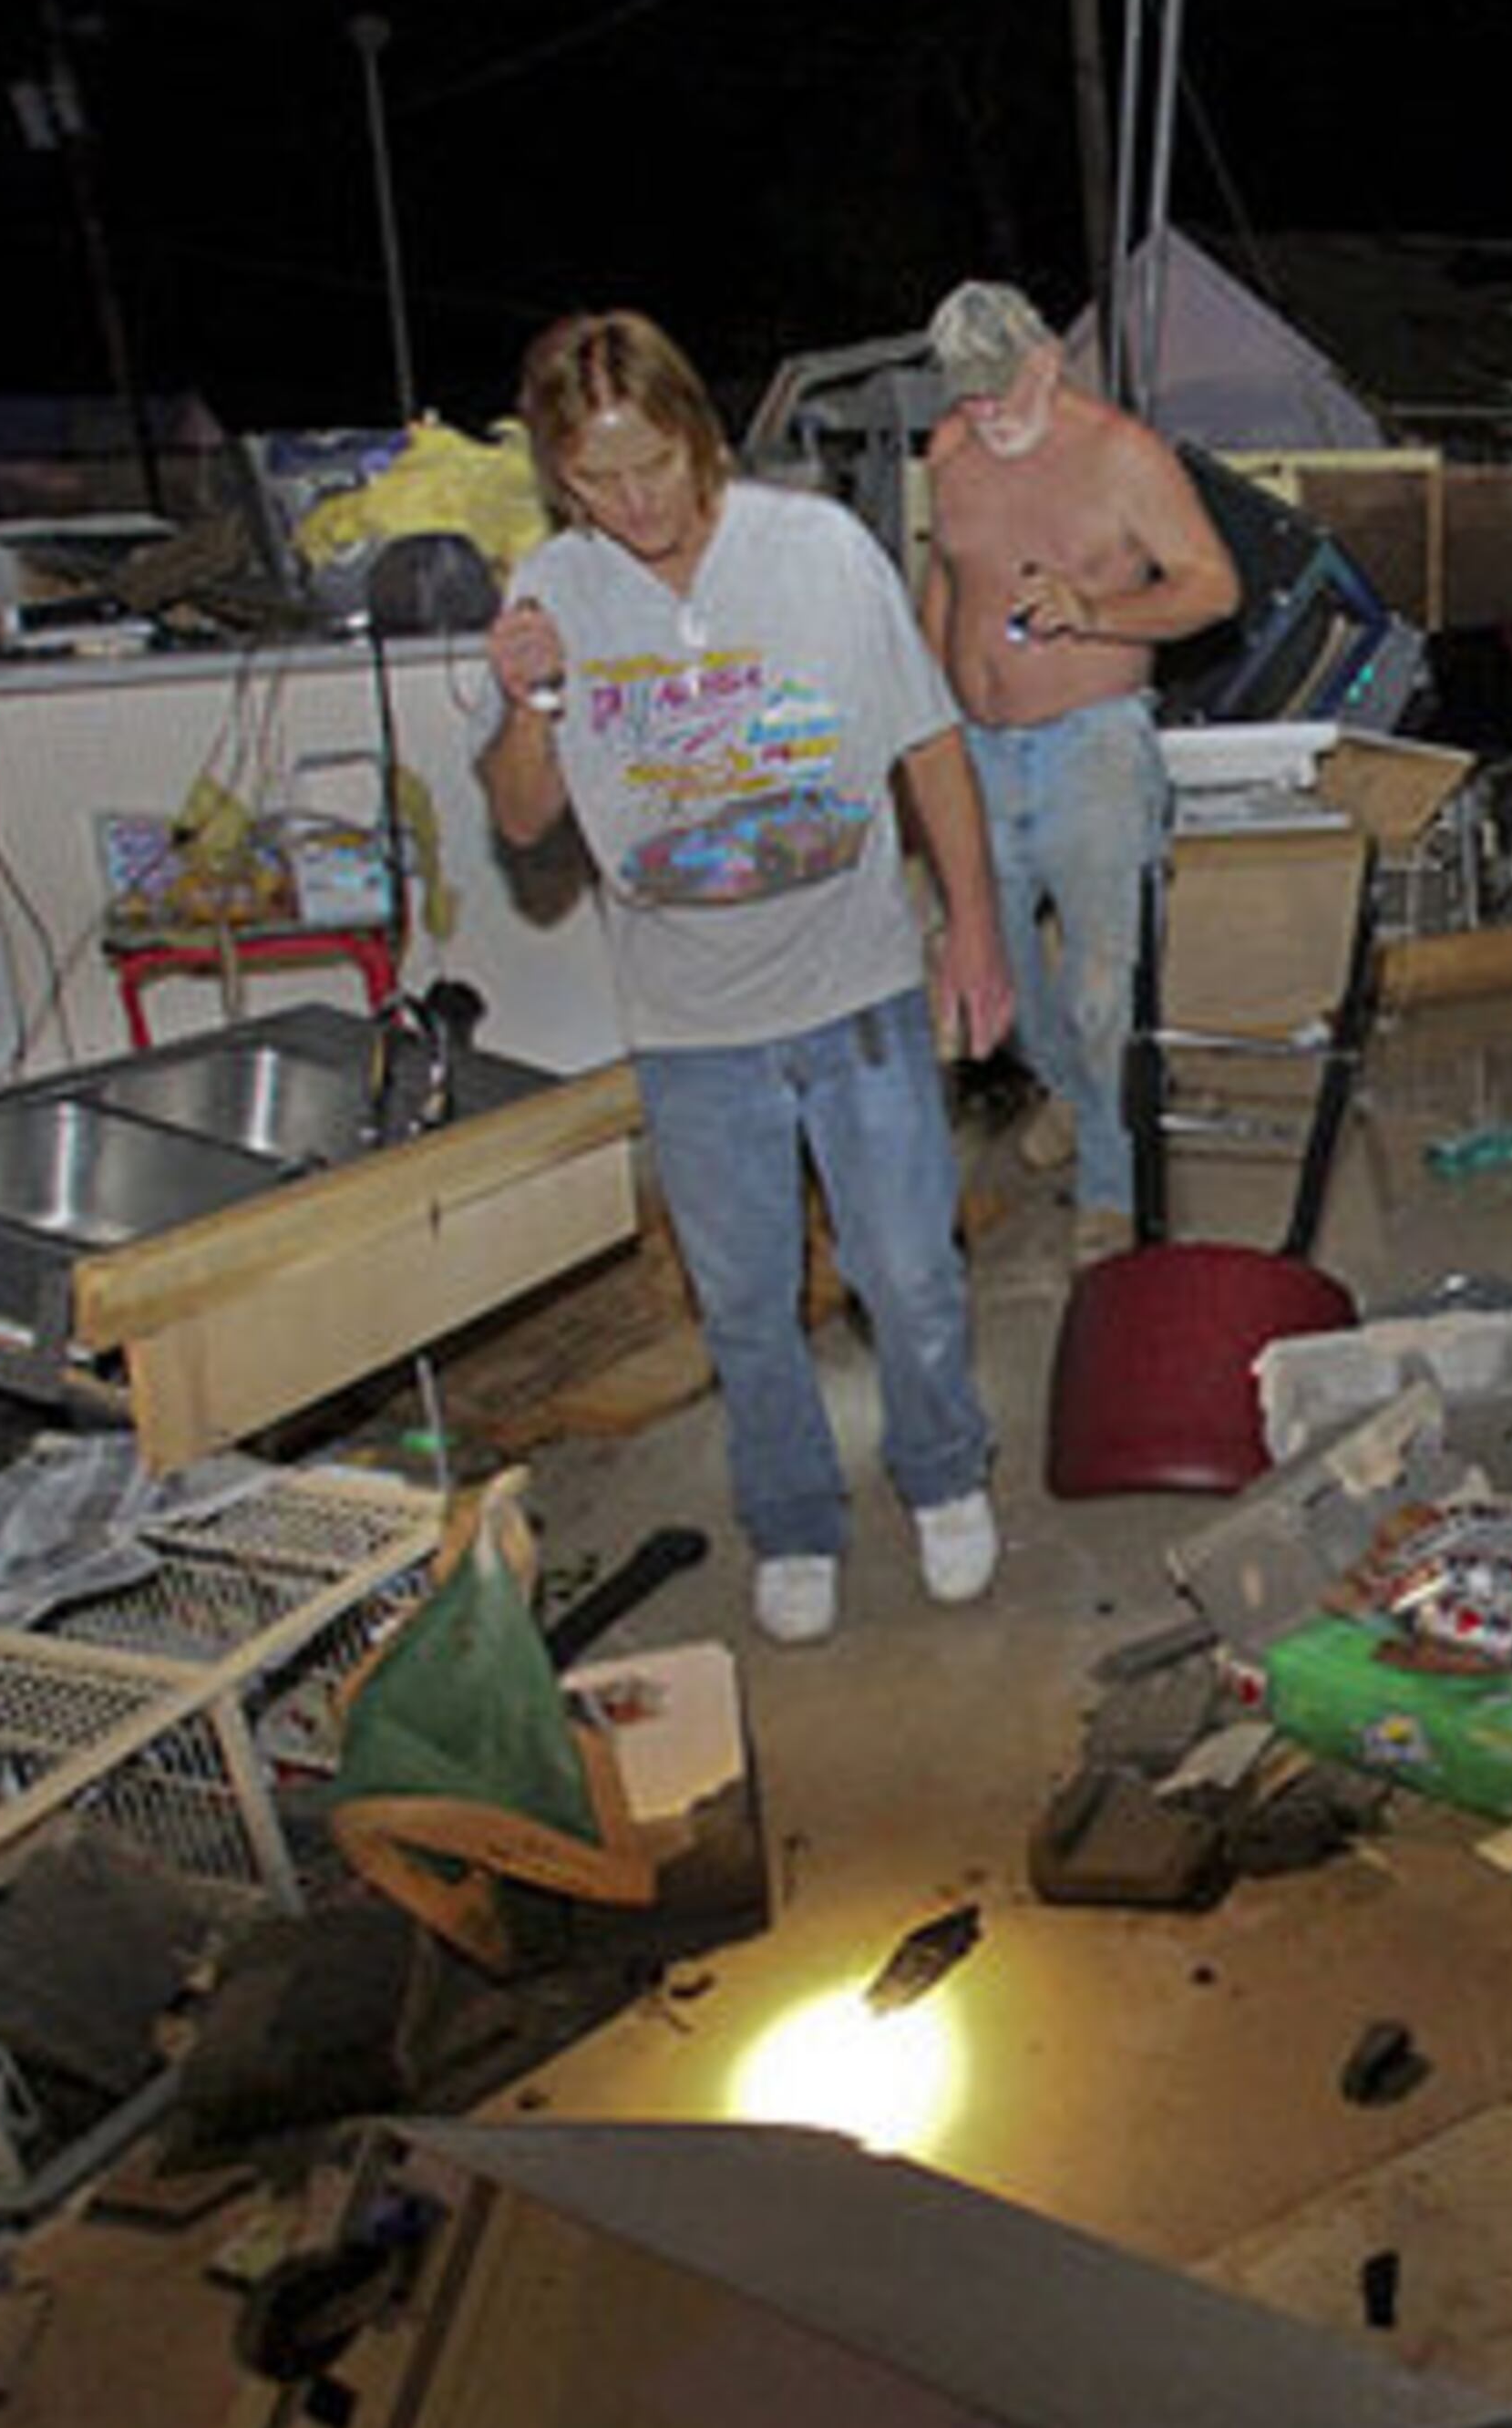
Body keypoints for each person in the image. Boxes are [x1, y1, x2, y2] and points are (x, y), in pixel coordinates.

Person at [478, 308, 1013, 1648]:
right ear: (560, 477)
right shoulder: (554, 589)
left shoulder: (818, 551)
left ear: (697, 434)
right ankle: (793, 1518)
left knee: (908, 1272)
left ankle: (944, 1475)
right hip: (690, 1022)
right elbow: (523, 819)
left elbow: (930, 746)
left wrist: (976, 932)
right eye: (598, 479)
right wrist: (530, 704)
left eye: (653, 462)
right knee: (745, 1302)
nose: (635, 501)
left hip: (858, 988)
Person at [918, 278, 1240, 1265]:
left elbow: (1214, 587)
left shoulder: (1122, 456)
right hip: (974, 746)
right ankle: (1068, 1087)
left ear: (1047, 361)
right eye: (967, 395)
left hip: (1091, 743)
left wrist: (1098, 612)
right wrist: (921, 716)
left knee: (1105, 985)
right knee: (990, 979)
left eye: (1001, 391)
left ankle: (1110, 1178)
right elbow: (946, 581)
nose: (986, 414)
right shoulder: (951, 452)